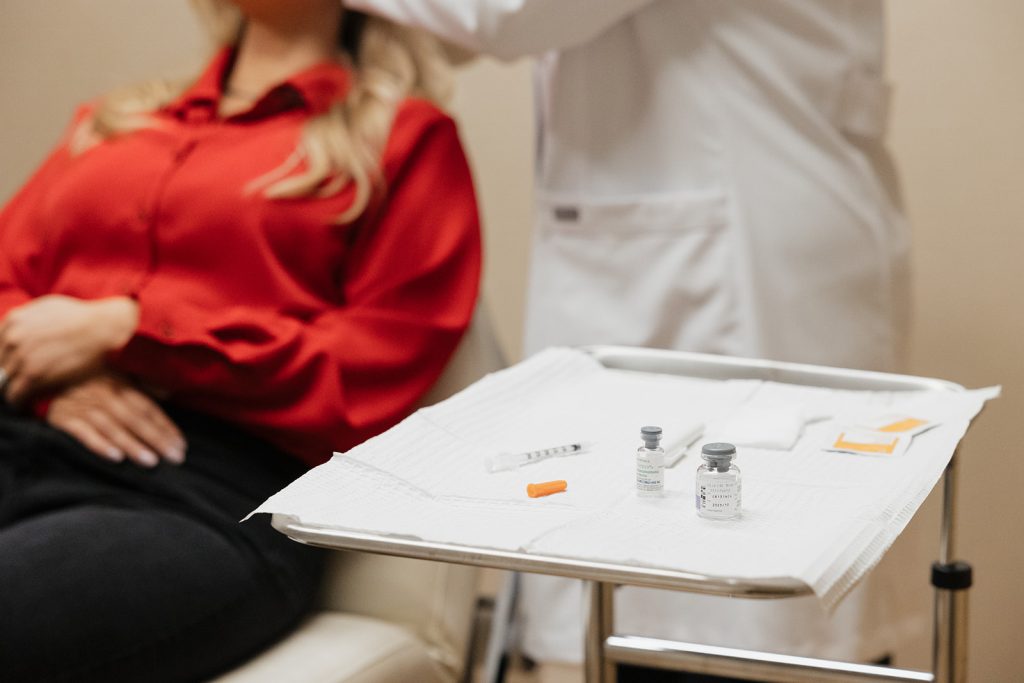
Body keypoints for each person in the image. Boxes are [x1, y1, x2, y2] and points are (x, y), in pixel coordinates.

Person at [342, 0, 916, 678]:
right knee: (680, 594)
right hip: (704, 230)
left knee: (747, 602)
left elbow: (508, 13)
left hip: (742, 256)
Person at [0, 1, 481, 680]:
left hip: (197, 493)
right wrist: (57, 382)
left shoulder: (405, 140)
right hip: (28, 427)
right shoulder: (116, 120)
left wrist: (135, 328)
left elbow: (364, 369)